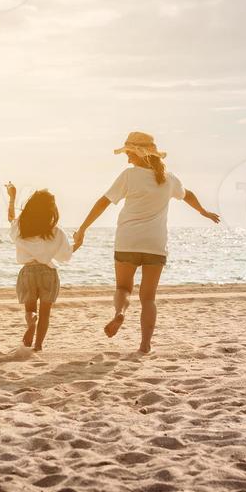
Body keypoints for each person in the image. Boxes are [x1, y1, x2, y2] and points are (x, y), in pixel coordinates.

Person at [72, 131, 220, 354]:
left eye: (129, 153)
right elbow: (187, 194)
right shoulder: (169, 179)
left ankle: (119, 313)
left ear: (140, 154)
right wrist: (203, 212)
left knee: (123, 288)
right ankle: (145, 345)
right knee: (148, 298)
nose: (127, 157)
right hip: (155, 245)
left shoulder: (129, 176)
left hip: (128, 242)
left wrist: (83, 228)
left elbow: (103, 202)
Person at [5, 182, 73, 351]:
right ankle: (38, 346)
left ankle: (31, 321)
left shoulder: (21, 226)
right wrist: (78, 243)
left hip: (28, 272)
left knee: (30, 309)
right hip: (48, 273)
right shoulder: (56, 231)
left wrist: (12, 197)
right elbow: (65, 256)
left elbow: (11, 218)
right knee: (45, 314)